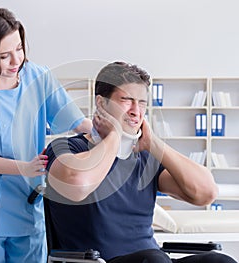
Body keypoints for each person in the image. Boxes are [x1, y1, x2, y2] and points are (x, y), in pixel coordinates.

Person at [44, 62, 237, 263]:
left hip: (153, 260)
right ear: (101, 104)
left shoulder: (145, 157)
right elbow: (78, 184)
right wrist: (114, 136)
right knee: (153, 259)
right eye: (126, 100)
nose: (136, 110)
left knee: (219, 261)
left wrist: (153, 144)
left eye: (142, 103)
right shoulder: (65, 148)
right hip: (100, 261)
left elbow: (206, 193)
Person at [0, 7, 93, 263]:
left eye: (19, 49)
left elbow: (79, 123)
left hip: (26, 208)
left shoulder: (38, 76)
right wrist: (24, 167)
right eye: (4, 56)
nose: (16, 62)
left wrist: (118, 133)